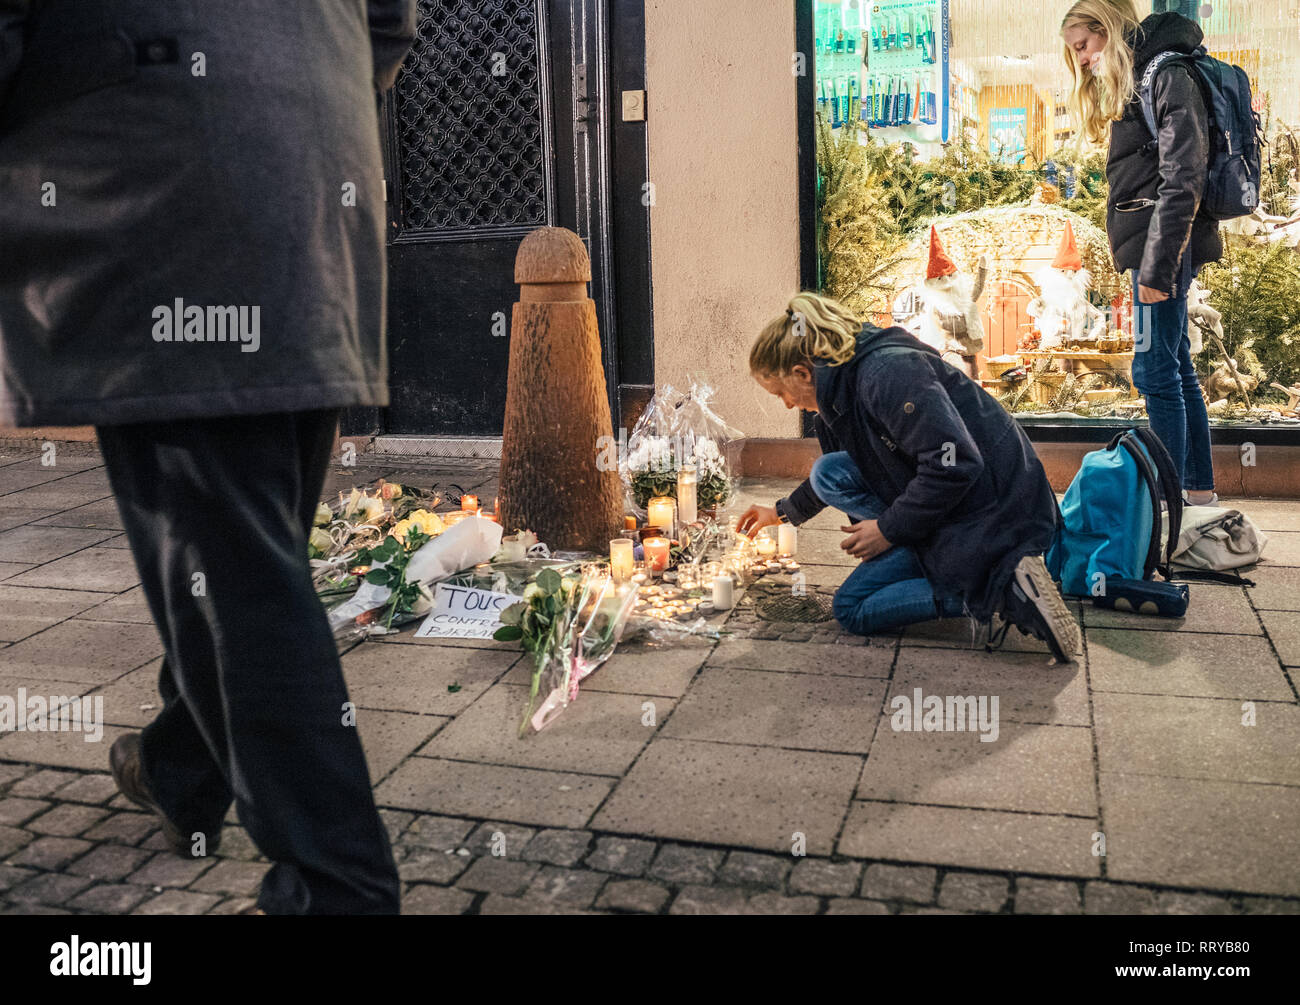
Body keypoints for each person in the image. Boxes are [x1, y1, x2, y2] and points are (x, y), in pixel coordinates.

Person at [0, 1, 418, 914]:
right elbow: (391, 19)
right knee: (249, 548)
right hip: (315, 170)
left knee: (238, 567)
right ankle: (181, 767)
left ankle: (338, 888)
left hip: (155, 186)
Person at [738, 293, 1082, 663]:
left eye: (780, 393)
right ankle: (947, 560)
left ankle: (1000, 587)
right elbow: (857, 465)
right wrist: (781, 512)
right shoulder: (841, 388)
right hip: (961, 502)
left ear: (803, 373)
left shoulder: (885, 374)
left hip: (996, 510)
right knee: (829, 472)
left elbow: (955, 463)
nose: (788, 404)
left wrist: (887, 529)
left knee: (852, 607)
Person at [1061, 0, 1223, 506]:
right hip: (1157, 246)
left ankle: (1163, 505)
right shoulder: (1147, 77)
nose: (1083, 60)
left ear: (1107, 28)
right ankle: (1197, 494)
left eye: (1084, 46)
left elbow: (1184, 177)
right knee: (1175, 365)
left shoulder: (1165, 72)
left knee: (1153, 371)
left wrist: (1156, 265)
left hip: (1163, 249)